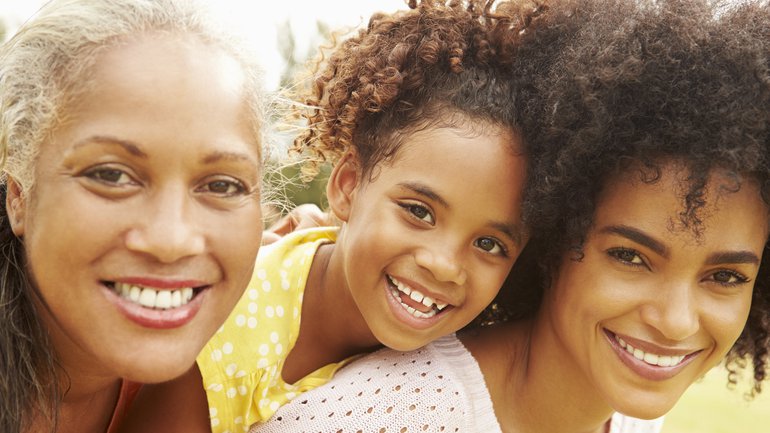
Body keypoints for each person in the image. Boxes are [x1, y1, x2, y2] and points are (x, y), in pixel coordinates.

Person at [250, 0, 770, 432]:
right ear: (548, 242)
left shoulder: (628, 413)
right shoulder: (382, 416)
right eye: (630, 256)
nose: (676, 322)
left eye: (725, 276)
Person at [119, 1, 534, 432]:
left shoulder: (466, 360)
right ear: (348, 186)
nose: (444, 264)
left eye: (489, 244)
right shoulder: (230, 323)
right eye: (418, 212)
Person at [0, 1, 267, 432]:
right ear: (19, 195)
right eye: (111, 175)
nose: (171, 240)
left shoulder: (233, 365)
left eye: (221, 186)